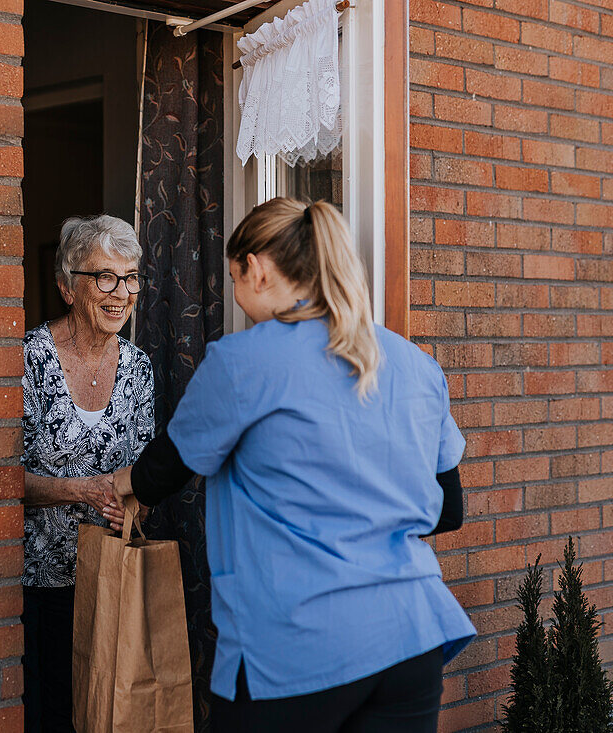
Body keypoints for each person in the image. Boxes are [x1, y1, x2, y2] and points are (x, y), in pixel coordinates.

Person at [112, 198, 475, 732]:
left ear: (256, 270)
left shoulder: (243, 361)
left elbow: (164, 468)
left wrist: (124, 485)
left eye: (234, 278)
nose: (235, 296)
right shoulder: (414, 364)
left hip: (294, 649)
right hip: (410, 637)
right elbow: (448, 510)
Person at [21, 214, 155, 732]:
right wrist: (78, 490)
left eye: (130, 277)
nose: (120, 292)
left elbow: (145, 470)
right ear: (66, 286)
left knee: (109, 716)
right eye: (104, 276)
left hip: (112, 576)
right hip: (41, 582)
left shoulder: (138, 367)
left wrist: (131, 502)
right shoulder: (29, 360)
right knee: (52, 714)